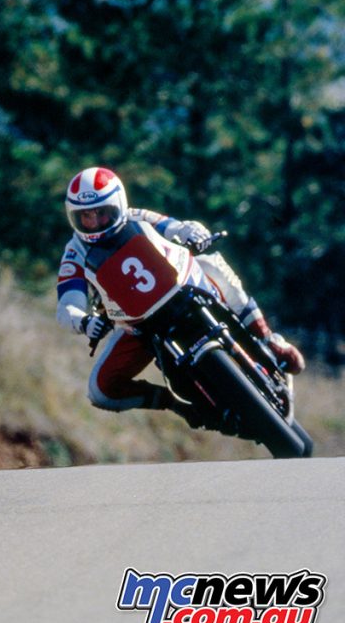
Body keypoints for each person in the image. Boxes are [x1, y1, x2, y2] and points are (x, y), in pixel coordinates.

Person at [55, 166, 304, 427]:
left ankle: (268, 338)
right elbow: (68, 304)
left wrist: (194, 232)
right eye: (85, 217)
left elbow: (174, 226)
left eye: (102, 213)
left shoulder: (135, 216)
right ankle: (175, 402)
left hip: (187, 286)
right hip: (136, 325)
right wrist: (84, 322)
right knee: (99, 391)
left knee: (212, 263)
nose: (94, 223)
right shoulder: (74, 252)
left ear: (118, 205)